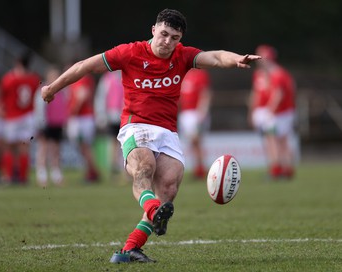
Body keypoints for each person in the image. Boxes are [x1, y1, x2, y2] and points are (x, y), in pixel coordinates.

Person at [41, 8, 260, 263]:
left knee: (169, 185)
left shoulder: (183, 56)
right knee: (144, 167)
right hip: (136, 126)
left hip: (167, 132)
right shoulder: (130, 52)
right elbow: (84, 66)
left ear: (180, 39)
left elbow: (215, 56)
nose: (167, 42)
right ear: (153, 30)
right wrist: (52, 88)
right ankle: (153, 210)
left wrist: (236, 59)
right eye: (164, 34)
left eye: (174, 37)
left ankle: (130, 249)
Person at [248, 44, 296, 180]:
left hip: (281, 113)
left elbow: (278, 95)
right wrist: (253, 111)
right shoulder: (261, 74)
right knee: (276, 140)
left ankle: (278, 169)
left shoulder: (278, 74)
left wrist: (269, 111)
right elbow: (257, 94)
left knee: (276, 141)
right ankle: (284, 169)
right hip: (275, 112)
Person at [0, 52, 40, 185]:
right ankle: (23, 177)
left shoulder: (9, 79)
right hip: (28, 116)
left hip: (12, 116)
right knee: (24, 147)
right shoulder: (34, 79)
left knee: (9, 147)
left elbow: (2, 96)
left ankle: (9, 176)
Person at [35, 66, 68, 187]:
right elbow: (39, 108)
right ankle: (41, 175)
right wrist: (40, 123)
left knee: (56, 150)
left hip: (57, 123)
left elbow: (64, 107)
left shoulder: (62, 91)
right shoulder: (44, 90)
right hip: (46, 123)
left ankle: (56, 175)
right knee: (43, 149)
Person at [66, 70, 100, 183]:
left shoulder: (82, 78)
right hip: (85, 118)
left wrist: (73, 111)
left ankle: (92, 172)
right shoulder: (87, 78)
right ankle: (91, 171)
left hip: (82, 118)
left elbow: (82, 96)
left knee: (85, 147)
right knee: (84, 147)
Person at [178, 68, 212, 179]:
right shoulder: (182, 74)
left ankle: (201, 168)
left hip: (195, 113)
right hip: (185, 113)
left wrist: (202, 111)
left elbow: (205, 93)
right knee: (192, 143)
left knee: (197, 141)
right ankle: (198, 168)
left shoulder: (200, 74)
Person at [94, 70, 124, 176]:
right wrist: (101, 115)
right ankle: (114, 167)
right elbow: (101, 97)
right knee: (113, 142)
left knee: (124, 143)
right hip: (112, 115)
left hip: (125, 115)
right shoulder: (107, 78)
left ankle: (124, 169)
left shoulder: (127, 75)